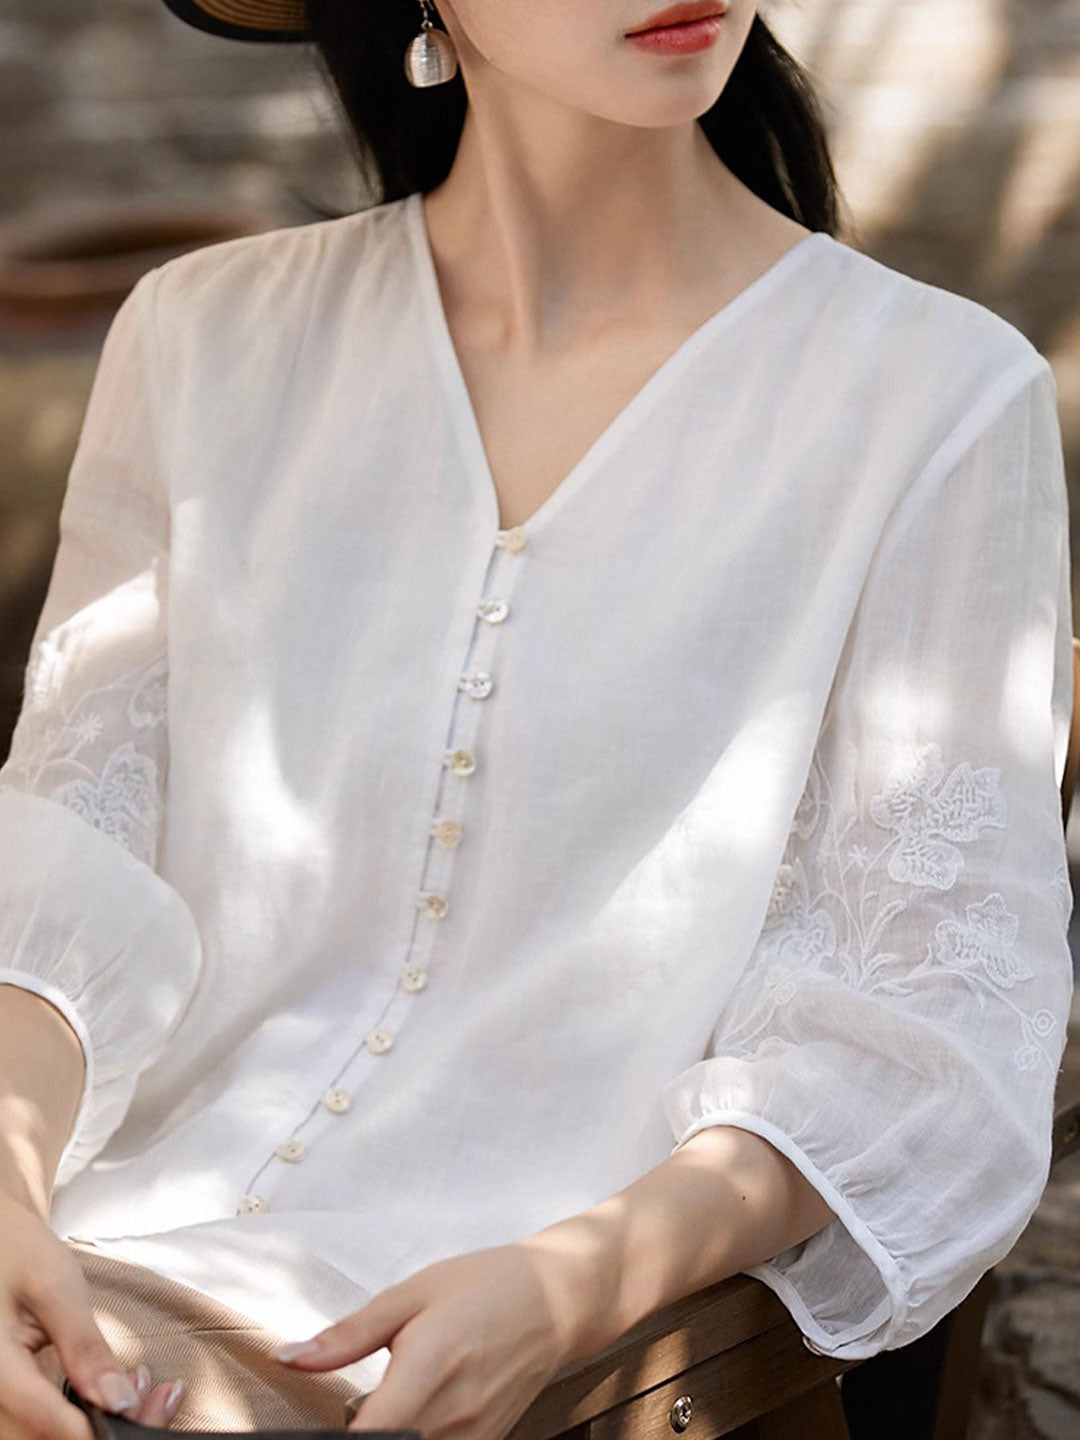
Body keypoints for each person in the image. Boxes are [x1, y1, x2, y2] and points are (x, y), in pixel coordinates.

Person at [0, 1, 1074, 1437]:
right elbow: (65, 862)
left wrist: (573, 1291)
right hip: (90, 1258)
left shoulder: (937, 399)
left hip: (502, 1344)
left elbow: (921, 1037)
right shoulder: (201, 340)